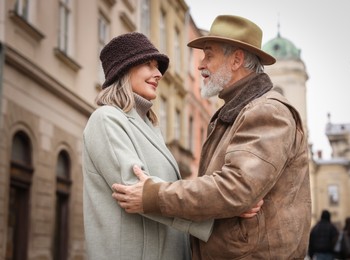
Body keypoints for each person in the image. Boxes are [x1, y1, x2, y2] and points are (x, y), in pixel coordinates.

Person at [112, 15, 311, 259]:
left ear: (237, 59)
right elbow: (236, 191)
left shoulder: (266, 110)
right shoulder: (238, 111)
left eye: (209, 55)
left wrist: (154, 195)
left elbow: (236, 187)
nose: (200, 64)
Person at [82, 32, 216, 260]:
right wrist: (217, 220)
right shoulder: (106, 119)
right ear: (124, 69)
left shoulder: (149, 127)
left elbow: (157, 192)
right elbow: (135, 191)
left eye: (158, 67)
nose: (158, 74)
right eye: (148, 65)